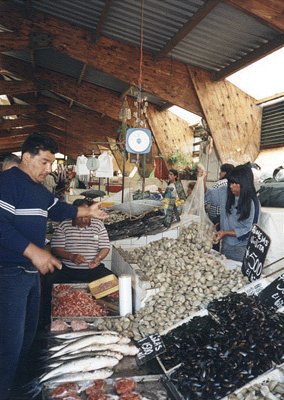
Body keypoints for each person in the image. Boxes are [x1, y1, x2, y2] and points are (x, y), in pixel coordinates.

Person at [0, 132, 108, 400]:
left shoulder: (39, 190)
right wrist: (34, 252)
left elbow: (59, 210)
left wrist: (88, 212)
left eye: (51, 164)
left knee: (28, 335)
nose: (49, 169)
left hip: (29, 276)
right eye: (45, 162)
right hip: (9, 273)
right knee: (9, 342)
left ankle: (19, 385)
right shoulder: (8, 183)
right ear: (27, 157)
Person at [41, 198, 113, 326]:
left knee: (112, 281)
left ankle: (107, 316)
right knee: (47, 281)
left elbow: (105, 247)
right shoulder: (64, 225)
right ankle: (46, 320)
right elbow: (56, 249)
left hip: (93, 269)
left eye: (87, 217)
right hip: (67, 270)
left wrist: (98, 259)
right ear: (75, 214)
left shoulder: (98, 224)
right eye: (81, 217)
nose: (85, 220)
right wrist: (71, 256)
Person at [204, 164, 260, 262]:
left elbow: (248, 229)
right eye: (230, 182)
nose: (231, 186)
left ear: (244, 183)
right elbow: (208, 196)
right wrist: (202, 180)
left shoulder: (252, 202)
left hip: (241, 249)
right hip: (225, 245)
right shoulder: (225, 192)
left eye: (235, 183)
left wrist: (225, 232)